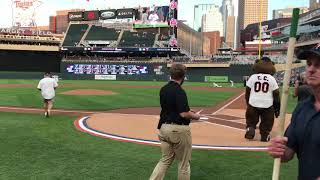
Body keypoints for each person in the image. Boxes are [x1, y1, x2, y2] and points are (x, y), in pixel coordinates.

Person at [268, 47, 320, 180]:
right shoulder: (302, 109)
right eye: (309, 64)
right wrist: (279, 150)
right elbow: (288, 153)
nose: (311, 69)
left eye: (318, 65)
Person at [149, 63, 200, 180]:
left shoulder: (163, 89)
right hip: (178, 130)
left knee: (165, 160)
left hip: (164, 128)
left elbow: (170, 108)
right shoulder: (180, 91)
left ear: (171, 74)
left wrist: (187, 110)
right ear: (183, 77)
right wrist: (196, 116)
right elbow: (184, 114)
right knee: (183, 164)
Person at [245, 57, 280, 142]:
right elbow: (276, 94)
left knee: (251, 119)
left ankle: (250, 129)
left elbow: (247, 92)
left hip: (253, 103)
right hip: (267, 104)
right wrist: (277, 108)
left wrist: (248, 103)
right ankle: (265, 135)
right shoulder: (271, 79)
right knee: (267, 121)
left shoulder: (253, 77)